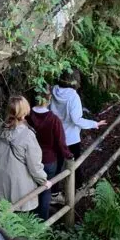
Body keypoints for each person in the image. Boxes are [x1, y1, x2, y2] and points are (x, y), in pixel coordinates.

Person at [0, 95, 51, 213]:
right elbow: (34, 166)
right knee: (19, 224)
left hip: (0, 188)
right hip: (21, 191)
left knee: (4, 221)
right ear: (24, 111)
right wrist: (44, 181)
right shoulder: (27, 135)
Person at [27, 86, 74, 220]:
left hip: (29, 159)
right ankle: (42, 220)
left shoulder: (27, 116)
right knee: (45, 189)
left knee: (31, 188)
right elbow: (60, 142)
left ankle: (30, 218)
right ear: (49, 99)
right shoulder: (54, 120)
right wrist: (68, 155)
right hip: (48, 159)